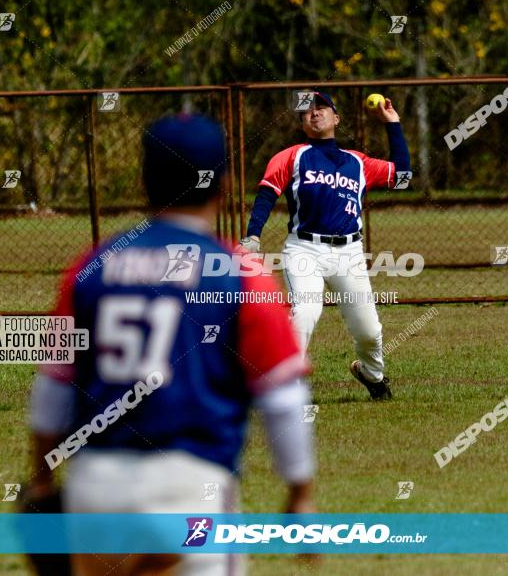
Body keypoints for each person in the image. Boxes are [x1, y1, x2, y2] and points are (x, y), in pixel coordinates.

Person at [27, 113, 315, 576]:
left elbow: (53, 389)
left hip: (97, 486)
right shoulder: (238, 271)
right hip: (190, 487)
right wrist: (300, 492)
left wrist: (41, 483)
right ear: (224, 183)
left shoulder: (94, 266)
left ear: (144, 181)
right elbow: (283, 398)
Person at [239, 90, 411, 400]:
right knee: (305, 311)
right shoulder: (291, 155)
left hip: (349, 253)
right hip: (304, 249)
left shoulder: (357, 162)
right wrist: (253, 235)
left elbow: (403, 177)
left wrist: (393, 123)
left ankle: (371, 374)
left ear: (336, 118)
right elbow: (267, 193)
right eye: (307, 111)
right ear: (302, 122)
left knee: (369, 331)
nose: (314, 113)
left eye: (322, 108)